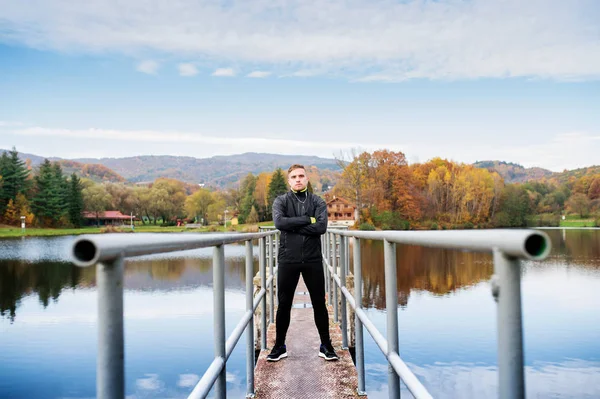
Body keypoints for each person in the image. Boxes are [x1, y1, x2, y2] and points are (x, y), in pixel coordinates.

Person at [267, 164, 339, 362]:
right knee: (283, 304)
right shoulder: (281, 201)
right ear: (289, 181)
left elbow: (321, 227)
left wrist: (294, 225)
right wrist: (308, 220)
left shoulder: (317, 201)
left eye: (301, 176)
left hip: (312, 259)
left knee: (319, 303)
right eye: (294, 177)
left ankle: (326, 345)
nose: (298, 179)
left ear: (307, 179)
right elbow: (280, 224)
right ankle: (279, 346)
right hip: (288, 259)